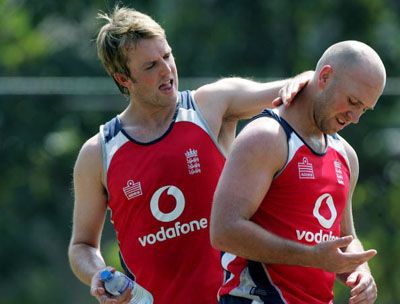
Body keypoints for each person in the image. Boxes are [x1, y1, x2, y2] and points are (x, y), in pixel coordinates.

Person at [68, 5, 312, 304]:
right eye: (150, 66)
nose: (166, 70)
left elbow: (290, 90)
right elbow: (81, 246)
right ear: (123, 79)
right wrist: (98, 273)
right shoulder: (98, 153)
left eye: (167, 56)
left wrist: (312, 79)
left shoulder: (211, 105)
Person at [210, 40, 386, 304]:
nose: (355, 117)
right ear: (325, 77)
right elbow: (224, 231)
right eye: (352, 101)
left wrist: (360, 271)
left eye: (364, 108)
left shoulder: (346, 155)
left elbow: (345, 238)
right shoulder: (266, 137)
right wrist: (311, 256)